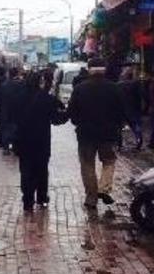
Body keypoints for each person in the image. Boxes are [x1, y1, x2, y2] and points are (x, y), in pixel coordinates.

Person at [67, 58, 127, 209]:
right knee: (109, 161)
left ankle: (91, 197)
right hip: (108, 134)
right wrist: (118, 126)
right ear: (104, 70)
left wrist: (78, 123)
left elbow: (72, 112)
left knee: (87, 165)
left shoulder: (80, 88)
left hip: (85, 134)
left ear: (89, 70)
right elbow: (122, 111)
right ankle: (104, 188)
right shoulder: (114, 88)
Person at [13, 72, 68, 212]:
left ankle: (27, 200)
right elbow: (56, 120)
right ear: (39, 82)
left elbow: (11, 118)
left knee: (25, 170)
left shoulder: (18, 97)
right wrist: (68, 114)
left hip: (23, 140)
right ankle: (42, 197)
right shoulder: (46, 98)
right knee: (42, 169)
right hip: (41, 141)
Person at [0, 68, 24, 154]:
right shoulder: (20, 85)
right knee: (16, 129)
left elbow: (1, 100)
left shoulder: (4, 85)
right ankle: (15, 147)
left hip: (6, 111)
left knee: (6, 129)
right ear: (16, 74)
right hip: (17, 111)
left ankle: (6, 148)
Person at [119, 67, 144, 150]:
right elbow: (141, 95)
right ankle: (139, 138)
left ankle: (119, 143)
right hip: (134, 108)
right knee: (136, 125)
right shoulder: (136, 84)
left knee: (119, 127)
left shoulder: (119, 85)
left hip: (122, 109)